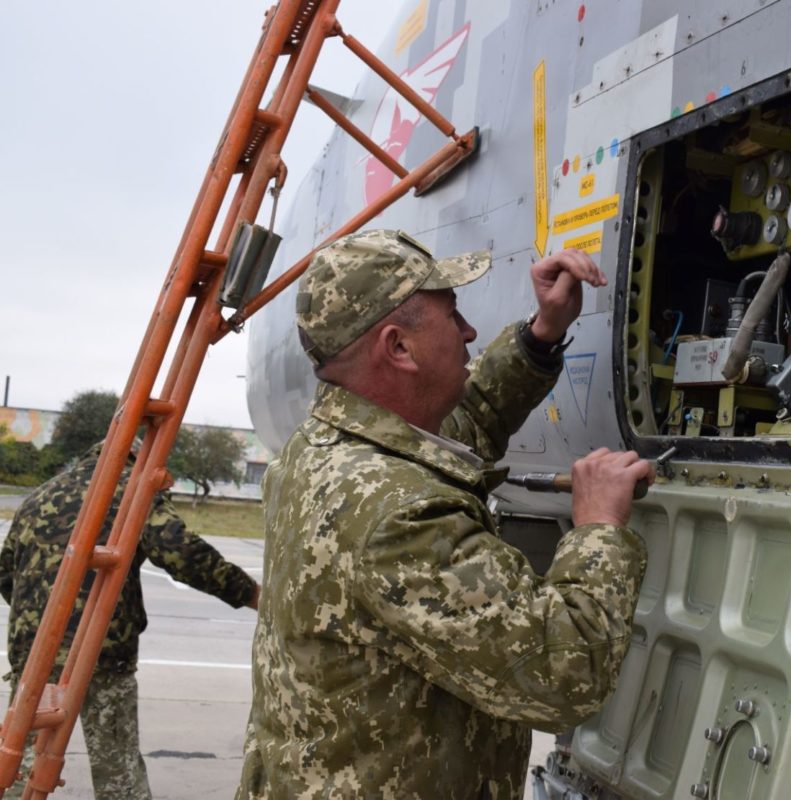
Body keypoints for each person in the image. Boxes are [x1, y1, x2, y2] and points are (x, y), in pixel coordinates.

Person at [237, 230, 655, 799]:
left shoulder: (326, 449)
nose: (469, 332)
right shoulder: (400, 515)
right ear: (399, 348)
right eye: (452, 315)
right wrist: (599, 529)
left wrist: (541, 335)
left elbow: (467, 423)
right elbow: (563, 673)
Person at [0, 442, 260, 800]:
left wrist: (42, 626)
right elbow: (181, 551)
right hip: (100, 654)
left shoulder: (40, 496)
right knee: (117, 771)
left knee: (18, 765)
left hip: (34, 653)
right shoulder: (131, 489)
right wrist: (251, 594)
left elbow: (6, 574)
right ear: (139, 460)